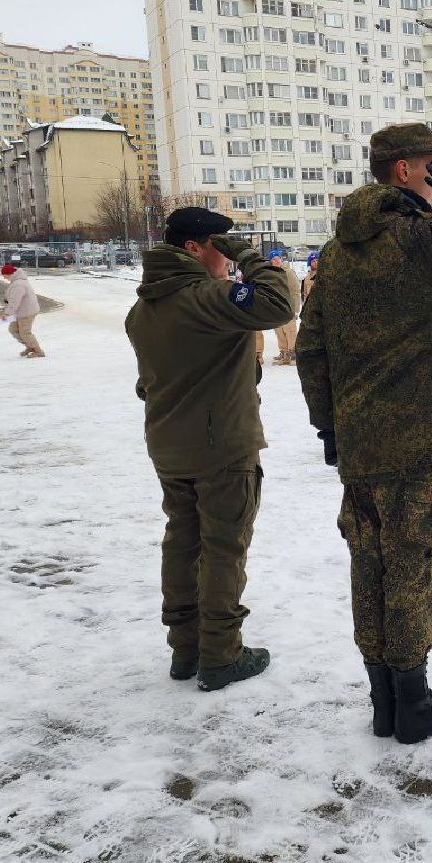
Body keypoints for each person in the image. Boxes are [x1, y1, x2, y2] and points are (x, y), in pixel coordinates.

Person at [296, 123, 432, 743]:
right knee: (410, 565)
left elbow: (312, 347)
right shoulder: (423, 245)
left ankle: (383, 700)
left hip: (359, 441)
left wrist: (328, 426)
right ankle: (413, 702)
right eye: (431, 164)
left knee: (369, 566)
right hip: (416, 440)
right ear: (404, 171)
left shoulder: (337, 253)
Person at [125, 207, 296, 691]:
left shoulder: (144, 308)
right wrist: (250, 255)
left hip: (169, 445)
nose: (228, 259)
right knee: (223, 548)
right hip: (221, 447)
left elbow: (150, 381)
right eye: (221, 247)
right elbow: (279, 303)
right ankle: (221, 654)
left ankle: (186, 649)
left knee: (182, 542)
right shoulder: (206, 297)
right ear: (194, 248)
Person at [1, 263, 44, 358]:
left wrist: (7, 314)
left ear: (9, 274)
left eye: (4, 275)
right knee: (13, 329)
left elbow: (14, 302)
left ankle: (38, 351)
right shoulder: (16, 281)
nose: (4, 277)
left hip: (26, 312)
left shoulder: (18, 284)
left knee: (24, 333)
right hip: (19, 312)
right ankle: (30, 347)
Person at [269, 254, 301, 364]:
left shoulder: (288, 272)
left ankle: (293, 354)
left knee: (290, 330)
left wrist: (296, 309)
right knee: (279, 330)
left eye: (278, 258)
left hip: (288, 307)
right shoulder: (271, 273)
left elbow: (296, 291)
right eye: (274, 259)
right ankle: (284, 352)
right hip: (276, 308)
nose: (277, 261)